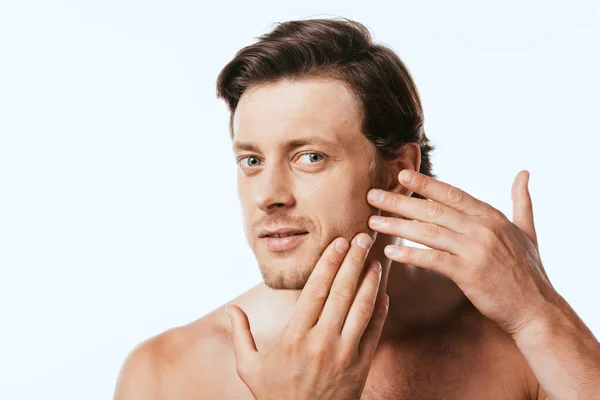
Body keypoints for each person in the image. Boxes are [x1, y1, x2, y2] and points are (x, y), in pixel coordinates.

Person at [113, 18, 600, 399]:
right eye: (252, 160)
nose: (267, 195)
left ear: (397, 170)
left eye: (310, 157)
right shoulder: (165, 374)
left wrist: (540, 316)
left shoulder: (517, 343)